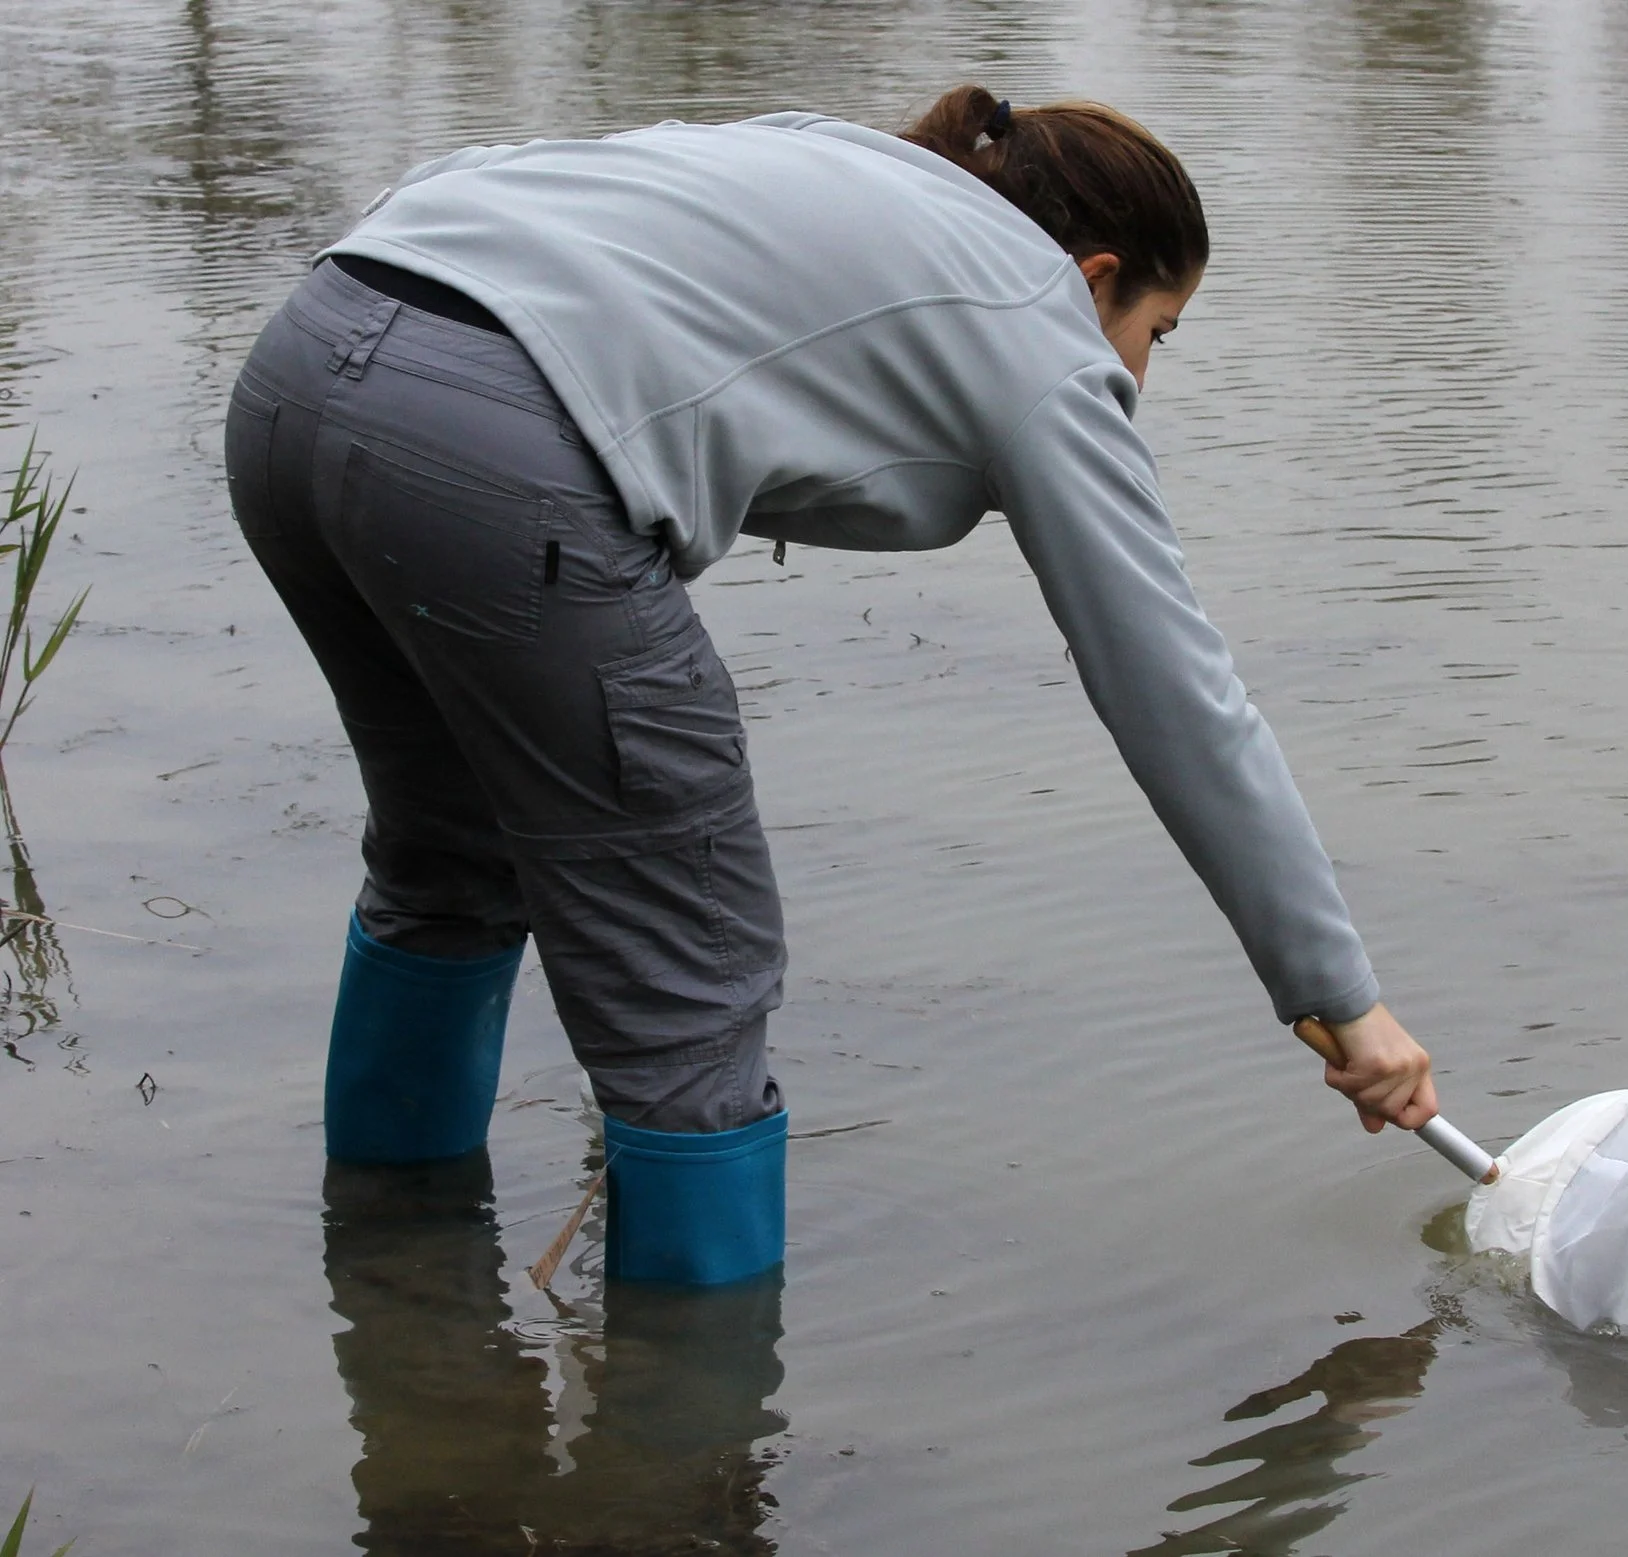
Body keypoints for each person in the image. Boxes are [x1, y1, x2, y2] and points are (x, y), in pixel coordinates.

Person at [224, 86, 1437, 1287]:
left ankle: (389, 1288)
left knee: (446, 864)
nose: (1140, 375)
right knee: (690, 978)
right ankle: (695, 1397)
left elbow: (486, 182)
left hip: (304, 368)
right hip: (490, 442)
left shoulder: (834, 160)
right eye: (1157, 332)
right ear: (1096, 276)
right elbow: (1178, 693)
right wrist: (1343, 1000)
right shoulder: (1040, 320)